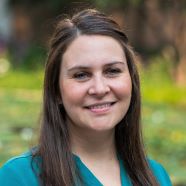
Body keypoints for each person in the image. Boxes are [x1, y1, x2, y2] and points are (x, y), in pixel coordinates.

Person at [0, 8, 172, 186]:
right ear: (56, 90)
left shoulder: (157, 177)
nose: (99, 88)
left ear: (132, 81)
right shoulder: (19, 177)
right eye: (81, 75)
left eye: (112, 71)